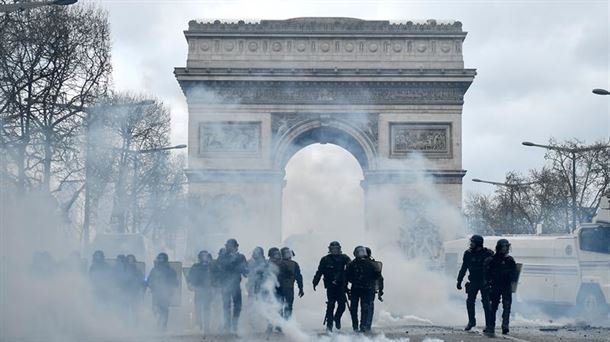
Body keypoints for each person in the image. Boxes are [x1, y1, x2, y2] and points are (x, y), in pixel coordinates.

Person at [456, 235, 494, 331]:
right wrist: (459, 280)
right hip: (473, 281)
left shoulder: (487, 254)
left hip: (484, 281)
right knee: (470, 302)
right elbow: (464, 268)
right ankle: (471, 321)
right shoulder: (468, 254)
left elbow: (494, 269)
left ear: (478, 243)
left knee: (486, 303)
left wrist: (492, 282)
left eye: (473, 242)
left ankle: (489, 325)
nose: (471, 244)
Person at [313, 241, 351, 332]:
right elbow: (319, 271)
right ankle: (329, 326)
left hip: (341, 285)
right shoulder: (325, 259)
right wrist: (315, 282)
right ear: (330, 249)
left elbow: (351, 266)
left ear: (339, 249)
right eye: (332, 249)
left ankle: (337, 318)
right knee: (331, 305)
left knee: (342, 305)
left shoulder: (344, 258)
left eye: (336, 249)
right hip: (330, 286)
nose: (334, 250)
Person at [346, 246, 383, 333]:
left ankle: (363, 327)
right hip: (359, 289)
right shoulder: (352, 264)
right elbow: (346, 277)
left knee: (364, 308)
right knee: (356, 309)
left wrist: (380, 290)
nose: (361, 254)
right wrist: (345, 288)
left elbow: (379, 278)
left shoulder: (371, 264)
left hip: (366, 289)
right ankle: (358, 327)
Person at [485, 239, 518, 336]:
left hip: (506, 286)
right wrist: (488, 284)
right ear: (499, 248)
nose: (505, 249)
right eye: (503, 247)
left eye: (506, 247)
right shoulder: (491, 260)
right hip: (495, 286)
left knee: (507, 306)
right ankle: (491, 326)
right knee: (493, 306)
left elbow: (514, 274)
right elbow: (486, 274)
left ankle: (505, 326)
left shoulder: (510, 260)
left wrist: (509, 277)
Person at [216, 238, 248, 333]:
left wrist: (247, 270)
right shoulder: (222, 257)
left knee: (238, 306)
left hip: (236, 284)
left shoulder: (241, 257)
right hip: (225, 284)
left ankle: (235, 325)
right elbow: (219, 268)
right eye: (228, 246)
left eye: (230, 246)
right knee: (226, 306)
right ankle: (227, 325)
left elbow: (245, 269)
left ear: (235, 247)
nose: (229, 247)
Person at [147, 252, 178, 330]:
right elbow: (149, 279)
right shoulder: (154, 270)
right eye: (159, 258)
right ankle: (159, 323)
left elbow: (174, 281)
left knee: (164, 309)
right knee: (155, 309)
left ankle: (163, 326)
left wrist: (171, 290)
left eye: (161, 258)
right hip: (156, 292)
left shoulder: (170, 270)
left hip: (165, 292)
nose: (159, 259)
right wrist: (151, 286)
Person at [187, 250, 215, 333]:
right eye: (202, 255)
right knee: (198, 308)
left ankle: (207, 326)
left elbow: (215, 277)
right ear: (199, 257)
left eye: (206, 255)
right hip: (198, 289)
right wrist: (190, 284)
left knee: (207, 309)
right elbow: (190, 276)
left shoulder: (211, 266)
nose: (204, 257)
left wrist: (214, 287)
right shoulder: (195, 266)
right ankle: (199, 325)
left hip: (208, 289)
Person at [277, 247, 304, 320]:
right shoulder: (279, 264)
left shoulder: (293, 264)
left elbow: (299, 277)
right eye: (286, 253)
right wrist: (301, 288)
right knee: (282, 306)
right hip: (282, 288)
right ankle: (284, 323)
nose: (288, 255)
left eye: (288, 253)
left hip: (286, 288)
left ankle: (284, 323)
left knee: (284, 306)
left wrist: (301, 288)